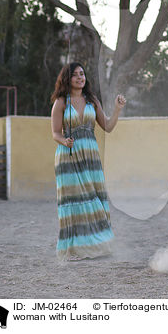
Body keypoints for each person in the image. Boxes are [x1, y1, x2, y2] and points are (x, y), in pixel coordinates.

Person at [50, 62, 126, 261]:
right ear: (68, 79)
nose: (80, 77)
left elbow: (107, 126)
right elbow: (55, 133)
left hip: (91, 157)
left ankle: (97, 245)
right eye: (75, 75)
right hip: (69, 157)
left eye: (82, 74)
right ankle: (77, 249)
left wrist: (117, 109)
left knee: (95, 200)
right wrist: (64, 141)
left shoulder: (92, 101)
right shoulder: (61, 102)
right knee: (76, 202)